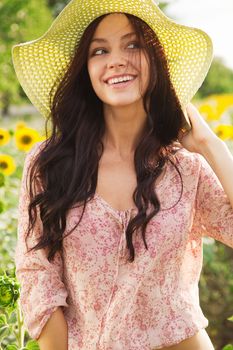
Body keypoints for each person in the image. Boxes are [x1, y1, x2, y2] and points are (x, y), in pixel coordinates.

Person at [12, 0, 233, 349]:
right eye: (100, 50)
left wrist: (210, 144)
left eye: (133, 45)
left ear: (155, 61)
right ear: (85, 69)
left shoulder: (184, 167)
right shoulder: (49, 163)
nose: (117, 59)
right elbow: (38, 277)